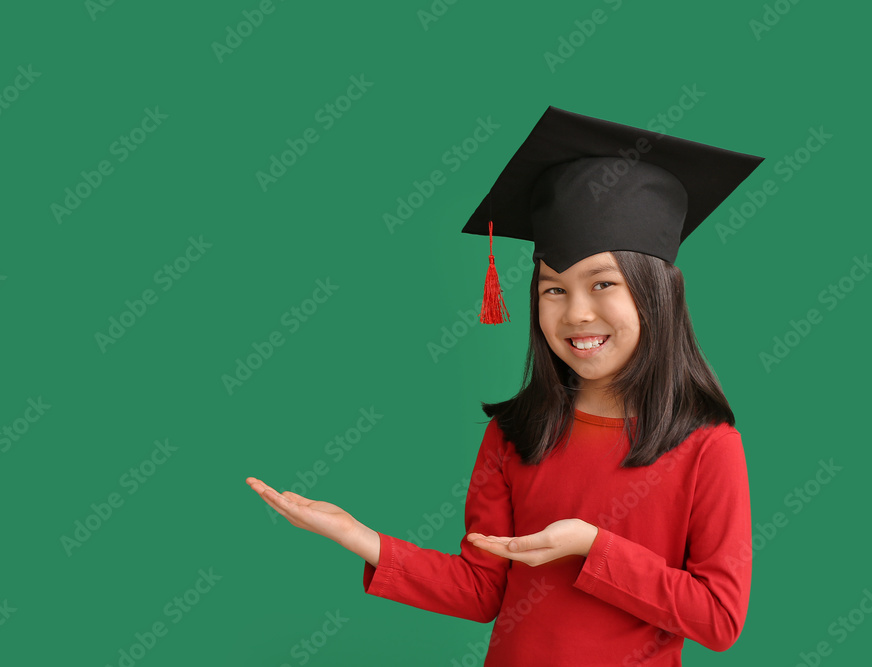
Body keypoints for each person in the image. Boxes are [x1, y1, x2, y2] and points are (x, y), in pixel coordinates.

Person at [246, 106, 762, 665]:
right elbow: (481, 589)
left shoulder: (707, 446)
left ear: (657, 294)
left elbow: (719, 617)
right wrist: (360, 538)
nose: (576, 314)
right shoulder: (518, 433)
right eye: (553, 290)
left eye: (603, 283)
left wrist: (593, 547)